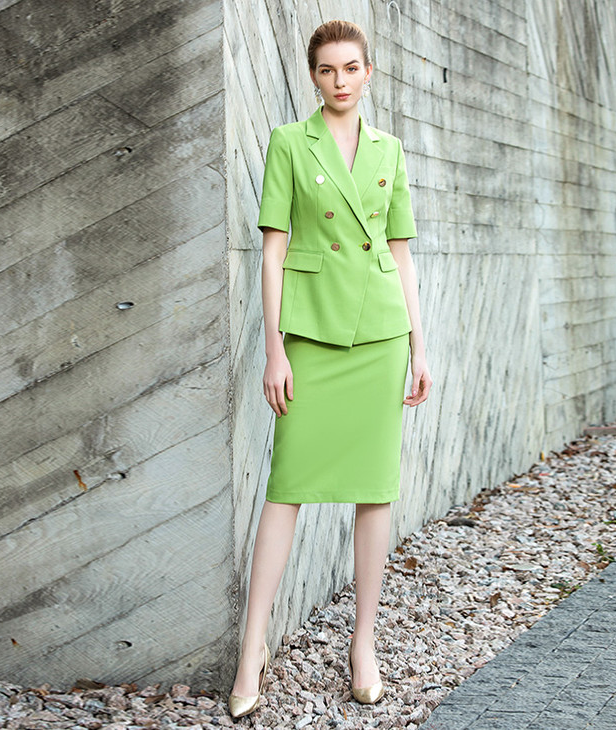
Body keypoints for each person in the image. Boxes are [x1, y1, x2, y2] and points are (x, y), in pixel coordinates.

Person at [228, 19, 433, 719]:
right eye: (326, 69)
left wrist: (419, 346)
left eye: (350, 68)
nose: (339, 80)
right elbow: (273, 251)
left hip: (380, 333)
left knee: (374, 490)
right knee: (287, 487)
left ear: (368, 73)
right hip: (312, 332)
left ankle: (363, 644)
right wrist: (274, 349)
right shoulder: (290, 142)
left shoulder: (389, 150)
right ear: (312, 76)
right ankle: (251, 649)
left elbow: (400, 254)